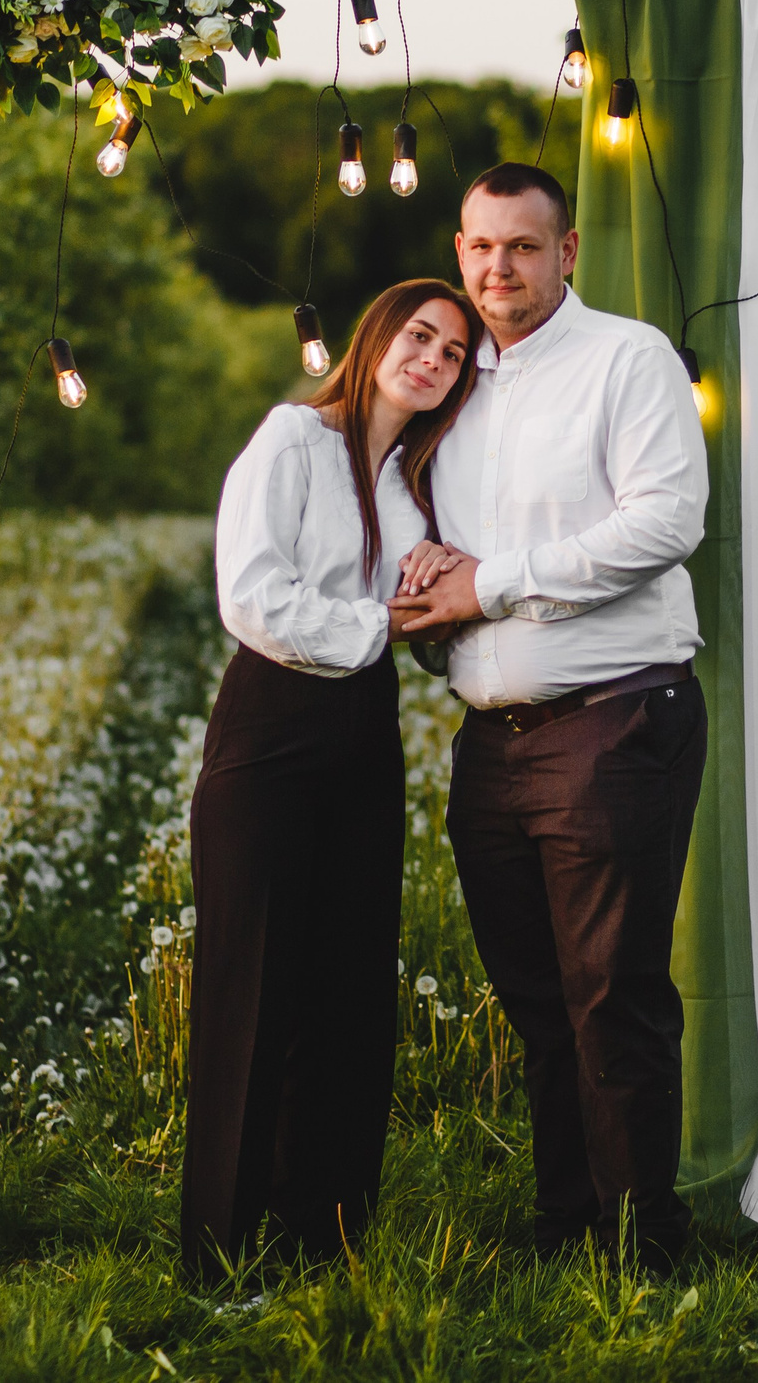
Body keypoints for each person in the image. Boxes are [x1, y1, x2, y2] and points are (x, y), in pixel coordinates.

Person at [387, 162, 710, 1273]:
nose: (496, 269)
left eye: (522, 247)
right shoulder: (449, 377)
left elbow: (667, 520)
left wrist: (491, 582)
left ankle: (644, 1242)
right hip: (491, 741)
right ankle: (566, 1222)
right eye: (479, 247)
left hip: (616, 722)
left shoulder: (628, 359)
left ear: (565, 253)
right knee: (534, 1000)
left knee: (612, 994)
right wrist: (421, 592)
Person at [181, 277, 481, 1286]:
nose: (431, 359)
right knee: (251, 989)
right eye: (420, 334)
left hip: (363, 734)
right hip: (270, 726)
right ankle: (217, 1255)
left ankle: (325, 1238)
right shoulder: (292, 439)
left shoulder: (407, 485)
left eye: (451, 354)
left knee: (351, 989)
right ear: (380, 331)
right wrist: (380, 623)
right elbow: (253, 595)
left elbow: (425, 612)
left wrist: (439, 581)